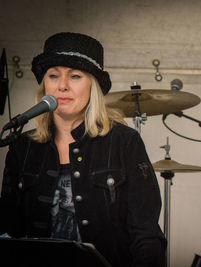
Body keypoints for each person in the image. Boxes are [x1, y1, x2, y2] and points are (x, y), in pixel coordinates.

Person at [0, 32, 166, 266]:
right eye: (53, 75)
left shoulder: (124, 142)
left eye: (75, 76)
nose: (62, 86)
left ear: (93, 86)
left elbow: (146, 234)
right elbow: (8, 229)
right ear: (44, 84)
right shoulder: (22, 146)